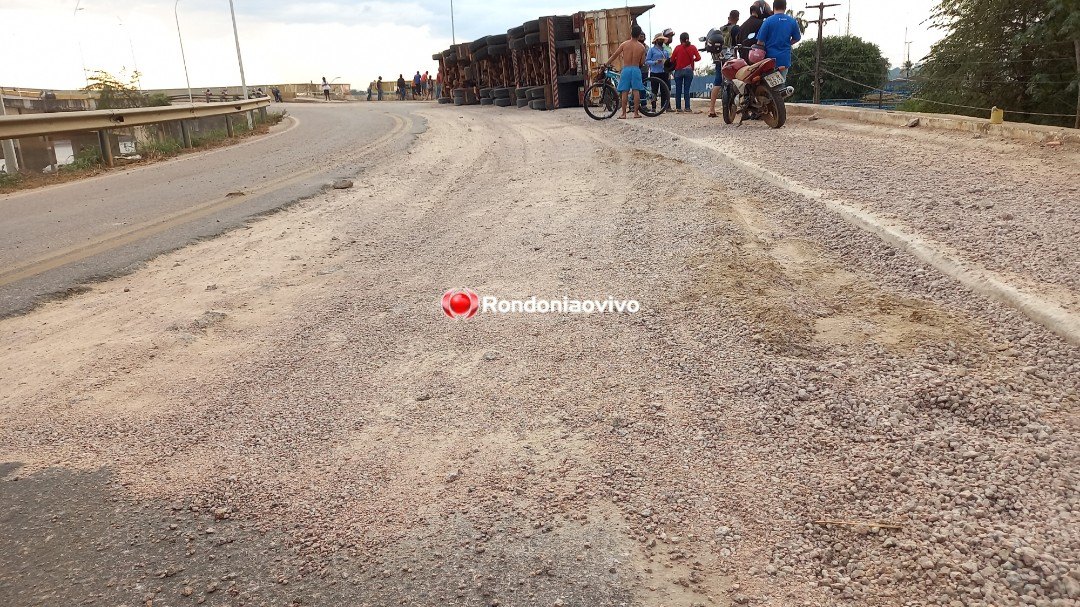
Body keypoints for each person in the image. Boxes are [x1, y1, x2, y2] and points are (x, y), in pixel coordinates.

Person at [607, 24, 648, 119]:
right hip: (636, 69)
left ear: (631, 33)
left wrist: (606, 63)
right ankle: (636, 113)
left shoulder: (624, 44)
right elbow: (642, 62)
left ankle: (623, 114)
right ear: (639, 35)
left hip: (626, 69)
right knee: (636, 91)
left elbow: (614, 55)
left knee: (624, 92)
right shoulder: (641, 47)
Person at [707, 11, 740, 118]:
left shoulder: (721, 29)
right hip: (730, 59)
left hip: (718, 58)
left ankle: (711, 109)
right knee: (735, 82)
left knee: (717, 82)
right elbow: (737, 45)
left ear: (728, 17)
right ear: (738, 18)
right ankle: (736, 108)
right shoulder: (736, 29)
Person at [754, 0, 802, 74]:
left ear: (774, 7)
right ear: (785, 7)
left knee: (767, 84)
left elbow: (760, 42)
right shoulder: (792, 21)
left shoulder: (768, 21)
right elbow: (797, 38)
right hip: (784, 60)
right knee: (781, 84)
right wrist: (787, 43)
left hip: (769, 61)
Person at [670, 32, 700, 113]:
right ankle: (687, 107)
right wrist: (692, 60)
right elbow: (698, 58)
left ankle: (678, 108)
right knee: (687, 90)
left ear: (680, 40)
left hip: (678, 70)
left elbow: (672, 60)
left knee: (678, 90)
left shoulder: (677, 48)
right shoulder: (693, 47)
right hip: (689, 70)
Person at [646, 33, 671, 113]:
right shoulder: (651, 50)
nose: (662, 41)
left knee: (664, 90)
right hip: (655, 72)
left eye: (663, 39)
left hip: (664, 72)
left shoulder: (665, 50)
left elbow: (668, 61)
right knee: (654, 91)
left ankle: (664, 107)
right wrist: (655, 62)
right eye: (660, 39)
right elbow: (647, 61)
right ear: (656, 40)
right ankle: (653, 107)